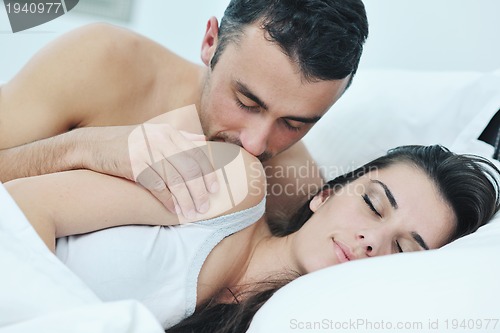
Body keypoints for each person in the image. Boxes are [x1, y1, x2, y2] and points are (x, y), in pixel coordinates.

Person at [5, 144, 500, 331]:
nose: (373, 241)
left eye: (402, 250)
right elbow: (25, 206)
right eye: (373, 203)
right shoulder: (233, 181)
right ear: (325, 194)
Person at [0, 0, 369, 225]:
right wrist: (82, 149)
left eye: (294, 124)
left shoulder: (294, 191)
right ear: (210, 43)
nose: (256, 145)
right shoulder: (100, 61)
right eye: (246, 102)